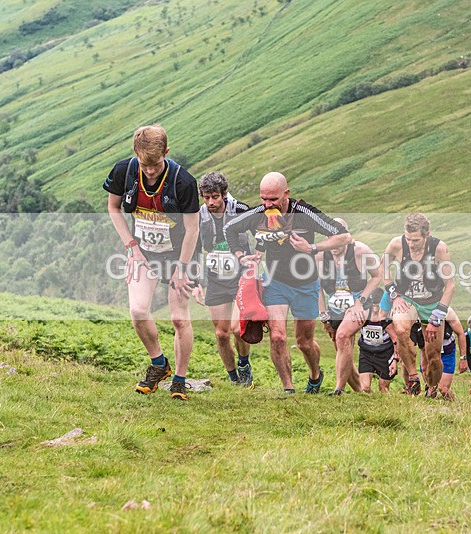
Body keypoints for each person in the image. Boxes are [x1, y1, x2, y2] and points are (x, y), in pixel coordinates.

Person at [223, 172, 350, 394]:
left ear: (286, 193)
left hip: (306, 284)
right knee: (278, 337)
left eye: (273, 199)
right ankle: (288, 389)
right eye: (264, 198)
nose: (268, 204)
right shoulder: (259, 214)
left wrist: (312, 248)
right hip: (275, 282)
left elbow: (343, 236)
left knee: (304, 342)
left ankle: (315, 375)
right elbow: (229, 228)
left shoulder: (303, 213)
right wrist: (241, 255)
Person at [103, 125, 200, 400]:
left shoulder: (183, 182)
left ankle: (179, 380)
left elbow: (193, 229)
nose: (149, 171)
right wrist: (131, 246)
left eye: (155, 165)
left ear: (166, 153)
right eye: (144, 165)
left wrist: (182, 268)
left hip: (180, 254)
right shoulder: (123, 171)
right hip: (143, 252)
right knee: (137, 310)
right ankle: (159, 365)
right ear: (135, 153)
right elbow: (113, 207)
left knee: (179, 318)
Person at [191, 172, 254, 387]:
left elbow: (261, 232)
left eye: (215, 197)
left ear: (224, 194)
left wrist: (258, 256)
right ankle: (234, 378)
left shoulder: (240, 210)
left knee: (238, 329)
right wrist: (195, 281)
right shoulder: (199, 215)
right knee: (221, 334)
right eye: (206, 197)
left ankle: (244, 363)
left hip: (241, 276)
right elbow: (194, 248)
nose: (211, 202)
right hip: (216, 277)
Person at [383, 214, 455, 398]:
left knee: (433, 358)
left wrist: (436, 317)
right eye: (408, 239)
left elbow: (450, 286)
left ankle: (432, 388)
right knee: (400, 329)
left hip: (432, 303)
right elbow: (382, 268)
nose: (411, 244)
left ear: (427, 235)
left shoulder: (439, 249)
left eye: (415, 240)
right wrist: (394, 295)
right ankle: (413, 377)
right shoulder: (397, 244)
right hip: (407, 299)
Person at [316, 218, 383, 396]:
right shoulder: (320, 256)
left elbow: (377, 275)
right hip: (334, 307)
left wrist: (360, 302)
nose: (334, 244)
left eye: (339, 239)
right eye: (330, 239)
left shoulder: (360, 250)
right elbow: (316, 286)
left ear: (347, 237)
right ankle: (361, 391)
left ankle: (338, 389)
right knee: (342, 347)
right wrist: (323, 313)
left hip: (358, 303)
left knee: (343, 336)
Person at [412, 308, 466, 400]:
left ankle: (452, 403)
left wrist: (463, 358)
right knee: (431, 387)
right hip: (427, 352)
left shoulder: (447, 312)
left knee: (443, 389)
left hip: (446, 352)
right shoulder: (416, 312)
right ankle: (432, 407)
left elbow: (460, 333)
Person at [356, 288, 399, 393]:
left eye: (378, 305)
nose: (375, 308)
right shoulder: (364, 314)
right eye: (373, 305)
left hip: (385, 354)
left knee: (383, 389)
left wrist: (395, 359)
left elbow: (396, 339)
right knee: (364, 388)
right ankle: (371, 401)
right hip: (366, 353)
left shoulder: (388, 317)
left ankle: (382, 403)